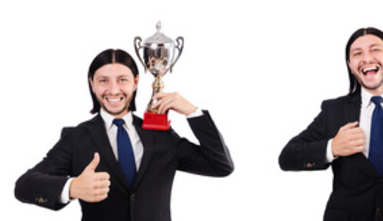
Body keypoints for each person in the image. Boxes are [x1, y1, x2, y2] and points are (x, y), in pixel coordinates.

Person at [15, 49, 234, 221]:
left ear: (136, 82)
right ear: (92, 84)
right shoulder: (76, 138)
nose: (113, 90)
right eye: (103, 81)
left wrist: (192, 112)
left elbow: (220, 165)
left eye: (122, 79)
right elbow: (23, 186)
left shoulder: (161, 134)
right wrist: (72, 188)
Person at [279, 27, 383, 221]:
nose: (366, 58)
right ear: (351, 65)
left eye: (375, 50)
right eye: (357, 53)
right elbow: (287, 157)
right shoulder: (334, 110)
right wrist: (332, 147)